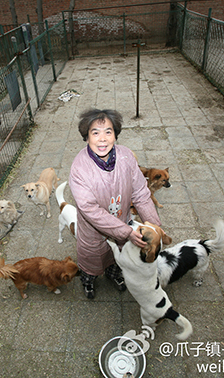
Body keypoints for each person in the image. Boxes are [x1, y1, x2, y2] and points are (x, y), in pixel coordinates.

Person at [68, 109, 162, 299]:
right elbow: (90, 210)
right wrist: (127, 232)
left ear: (115, 135)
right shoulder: (79, 169)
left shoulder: (126, 157)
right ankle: (88, 280)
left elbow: (141, 193)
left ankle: (113, 274)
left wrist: (154, 226)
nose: (102, 139)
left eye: (108, 132)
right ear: (86, 137)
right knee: (92, 261)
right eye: (95, 132)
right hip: (94, 231)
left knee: (116, 258)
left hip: (122, 221)